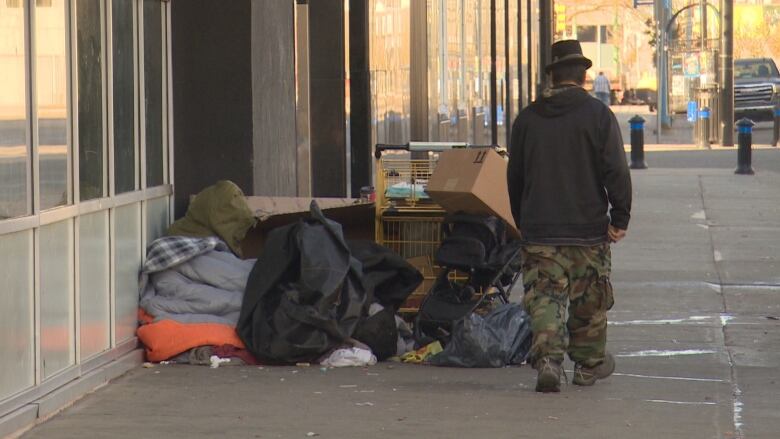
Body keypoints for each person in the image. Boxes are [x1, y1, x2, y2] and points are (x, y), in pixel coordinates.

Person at [507, 40, 632, 393]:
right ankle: (588, 366)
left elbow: (514, 177)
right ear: (583, 76)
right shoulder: (598, 116)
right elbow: (616, 172)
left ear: (552, 76)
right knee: (588, 299)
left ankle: (548, 360)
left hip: (540, 230)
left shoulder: (527, 120)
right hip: (588, 230)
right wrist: (619, 217)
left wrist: (523, 220)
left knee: (544, 297)